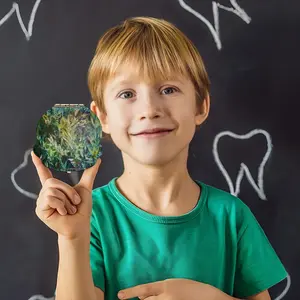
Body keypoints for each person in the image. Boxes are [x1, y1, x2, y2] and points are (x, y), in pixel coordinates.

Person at [31, 16, 287, 300]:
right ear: (102, 117)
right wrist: (72, 239)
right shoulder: (91, 217)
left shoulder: (231, 217)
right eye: (127, 94)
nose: (149, 109)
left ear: (201, 106)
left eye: (168, 90)